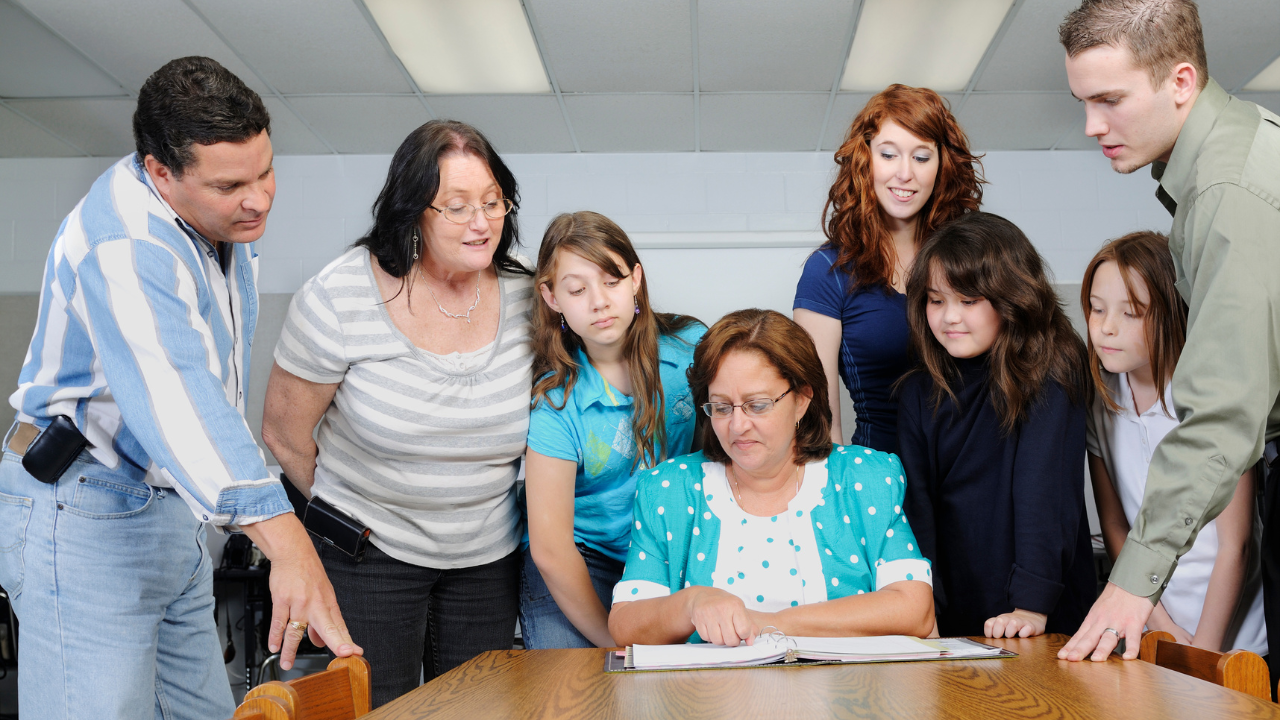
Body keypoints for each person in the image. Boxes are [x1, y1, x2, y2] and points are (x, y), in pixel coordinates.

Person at [0, 57, 359, 720]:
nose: (258, 199)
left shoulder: (223, 223)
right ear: (160, 172)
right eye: (230, 185)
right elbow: (181, 398)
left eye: (265, 171)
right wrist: (288, 542)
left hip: (169, 514)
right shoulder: (124, 244)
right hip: (82, 509)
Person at [262, 120, 533, 707]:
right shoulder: (340, 296)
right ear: (413, 211)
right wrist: (351, 522)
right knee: (378, 705)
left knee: (476, 710)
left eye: (493, 202)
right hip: (369, 555)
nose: (482, 222)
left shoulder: (528, 298)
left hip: (488, 556)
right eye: (457, 207)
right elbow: (284, 436)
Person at [1057, 1, 1280, 669]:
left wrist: (1131, 583)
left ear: (1180, 82)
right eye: (1083, 102)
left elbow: (1221, 416)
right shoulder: (1236, 155)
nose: (1092, 125)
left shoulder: (1228, 190)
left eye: (1109, 100)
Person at [609, 309, 935, 647]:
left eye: (758, 405)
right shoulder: (668, 490)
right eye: (721, 407)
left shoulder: (866, 479)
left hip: (846, 696)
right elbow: (625, 625)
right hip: (708, 698)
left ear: (802, 400)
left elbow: (914, 608)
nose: (737, 426)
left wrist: (769, 624)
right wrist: (690, 604)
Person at [898, 212, 1096, 639]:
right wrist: (924, 609)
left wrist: (1031, 606)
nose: (950, 317)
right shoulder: (916, 390)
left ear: (1011, 297)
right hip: (951, 607)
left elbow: (1043, 490)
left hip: (1040, 606)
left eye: (969, 301)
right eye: (936, 300)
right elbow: (918, 511)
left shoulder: (1052, 366)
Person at [520, 211, 704, 649]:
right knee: (578, 684)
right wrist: (614, 642)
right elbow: (550, 548)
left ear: (635, 279)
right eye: (577, 290)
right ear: (551, 298)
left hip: (667, 552)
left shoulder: (693, 348)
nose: (599, 301)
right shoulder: (556, 403)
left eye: (612, 280)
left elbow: (718, 455)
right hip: (583, 559)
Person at [1082, 231, 1266, 654]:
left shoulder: (1213, 397)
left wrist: (1203, 652)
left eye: (1130, 313)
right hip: (1151, 626)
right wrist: (1157, 624)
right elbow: (1116, 526)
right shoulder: (1100, 399)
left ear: (1168, 312)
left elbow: (1234, 547)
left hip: (1236, 638)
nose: (1106, 328)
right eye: (1095, 309)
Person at [793, 84, 984, 454]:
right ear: (866, 161)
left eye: (922, 157)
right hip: (883, 474)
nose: (905, 174)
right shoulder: (827, 271)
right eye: (889, 154)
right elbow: (818, 412)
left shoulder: (970, 258)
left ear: (942, 165)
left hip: (973, 469)